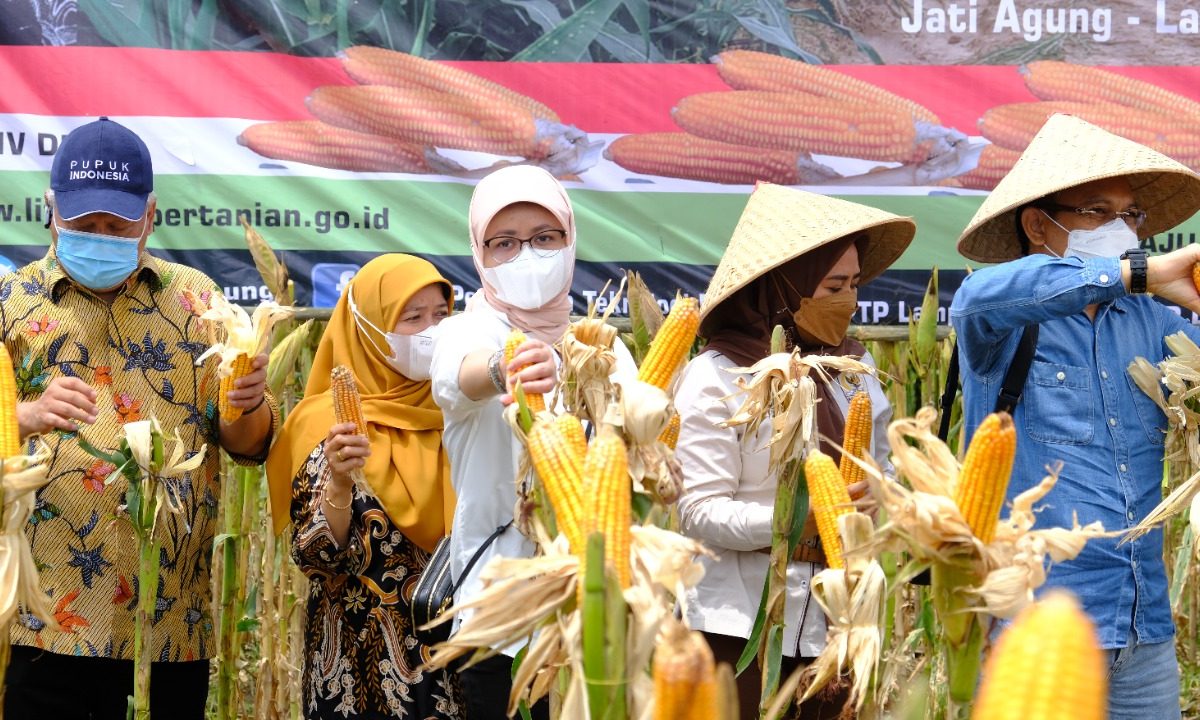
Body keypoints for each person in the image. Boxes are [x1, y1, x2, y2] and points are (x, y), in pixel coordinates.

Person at [3, 117, 278, 718]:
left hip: (169, 629)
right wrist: (24, 415)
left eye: (116, 225)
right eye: (83, 224)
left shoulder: (198, 303)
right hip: (43, 623)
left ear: (150, 215)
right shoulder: (11, 305)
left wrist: (247, 404)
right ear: (50, 209)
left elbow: (247, 446)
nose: (99, 236)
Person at [950, 113, 1200, 719]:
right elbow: (979, 296)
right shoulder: (1000, 321)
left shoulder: (1156, 323)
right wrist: (1137, 271)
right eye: (1097, 211)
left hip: (1142, 632)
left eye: (1130, 215)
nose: (1121, 228)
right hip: (1033, 631)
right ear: (1038, 223)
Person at [674, 182, 915, 720]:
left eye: (854, 284)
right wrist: (796, 520)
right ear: (784, 287)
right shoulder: (718, 377)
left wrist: (883, 492)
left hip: (837, 618)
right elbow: (697, 511)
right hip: (735, 627)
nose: (848, 300)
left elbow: (882, 466)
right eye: (832, 285)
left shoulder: (856, 371)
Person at [430, 165, 637, 719]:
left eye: (545, 238)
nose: (528, 255)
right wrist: (507, 368)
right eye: (505, 243)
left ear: (571, 240)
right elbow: (459, 377)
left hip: (595, 609)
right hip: (501, 616)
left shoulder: (605, 348)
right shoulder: (467, 331)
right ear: (479, 253)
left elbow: (646, 442)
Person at [265, 254, 463, 720]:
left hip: (459, 665)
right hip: (359, 670)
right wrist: (337, 478)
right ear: (366, 327)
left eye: (440, 315)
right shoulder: (324, 423)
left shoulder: (462, 410)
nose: (431, 330)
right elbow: (317, 556)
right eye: (411, 318)